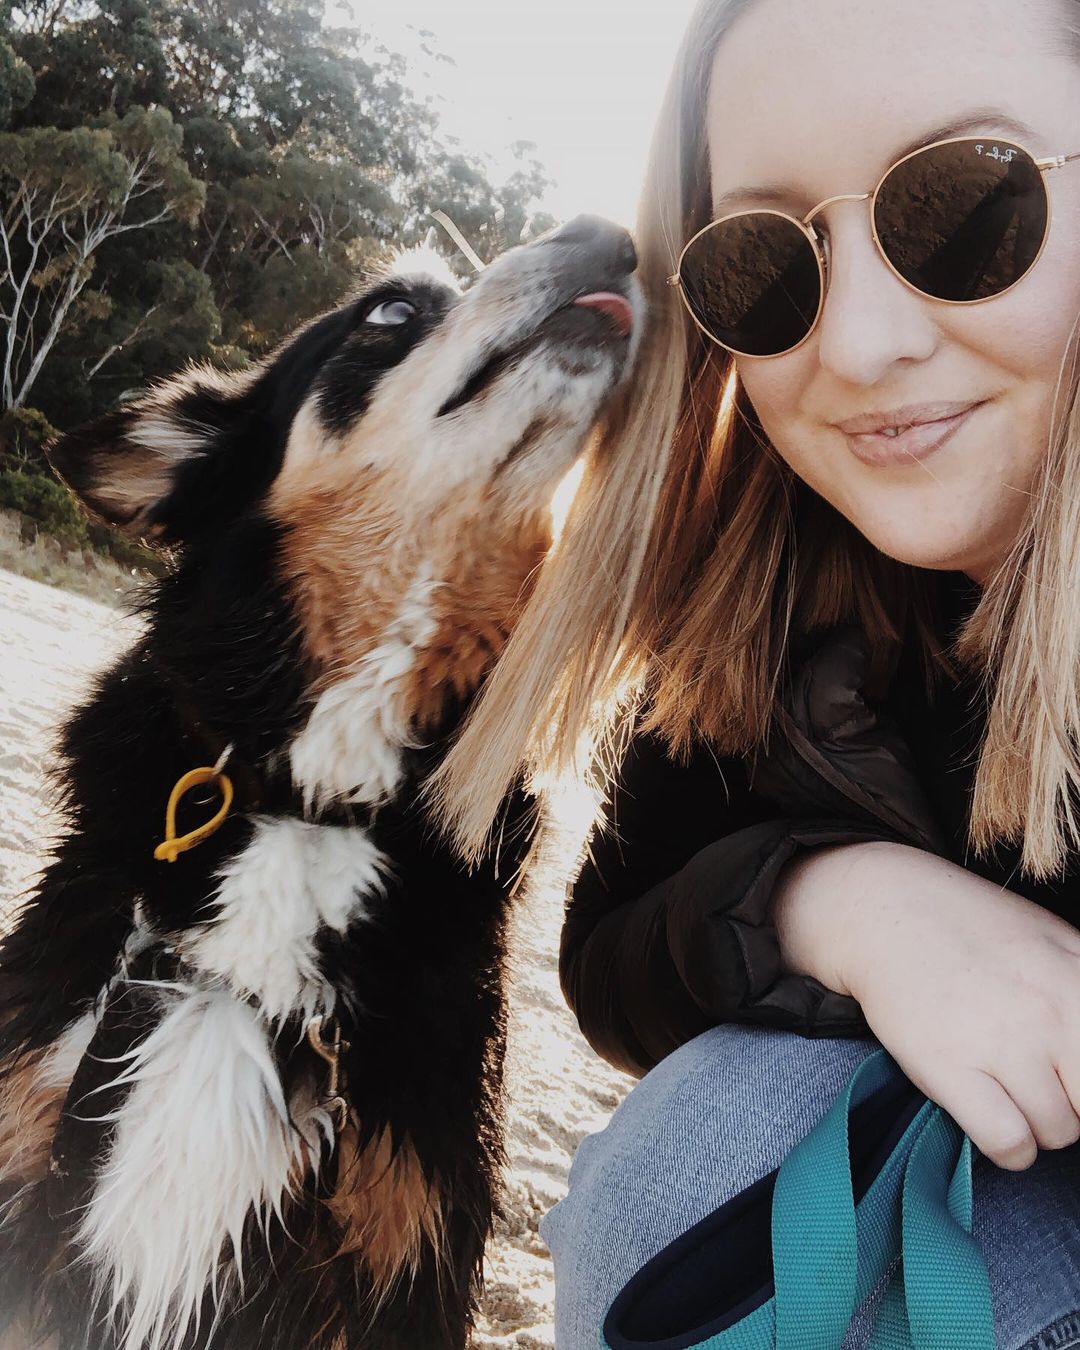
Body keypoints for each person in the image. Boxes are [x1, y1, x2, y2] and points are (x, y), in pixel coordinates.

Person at [429, 0, 1080, 1344]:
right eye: (767, 267)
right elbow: (612, 943)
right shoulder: (777, 588)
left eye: (965, 211)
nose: (856, 346)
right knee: (694, 1160)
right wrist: (837, 900)